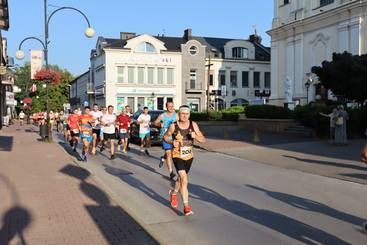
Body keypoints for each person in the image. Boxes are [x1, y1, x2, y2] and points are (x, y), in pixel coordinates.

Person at [164, 105, 205, 216]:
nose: (185, 116)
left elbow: (203, 139)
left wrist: (195, 136)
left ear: (189, 115)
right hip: (177, 155)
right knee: (184, 179)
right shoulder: (173, 126)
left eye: (187, 114)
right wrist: (172, 142)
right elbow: (166, 137)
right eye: (182, 113)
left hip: (189, 156)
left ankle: (173, 193)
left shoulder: (193, 125)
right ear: (179, 114)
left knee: (180, 178)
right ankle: (186, 206)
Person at [154, 101, 177, 180]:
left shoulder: (176, 115)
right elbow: (155, 122)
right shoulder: (162, 116)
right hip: (165, 137)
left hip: (174, 137)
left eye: (172, 106)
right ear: (166, 107)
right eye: (169, 106)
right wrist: (159, 124)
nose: (171, 108)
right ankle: (171, 172)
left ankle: (163, 158)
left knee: (172, 153)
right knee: (168, 154)